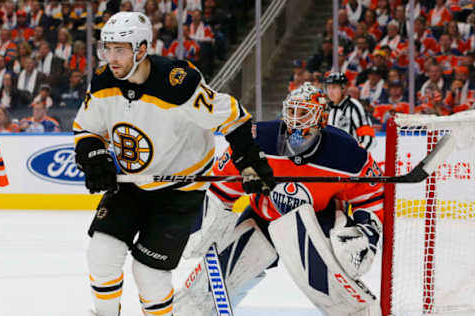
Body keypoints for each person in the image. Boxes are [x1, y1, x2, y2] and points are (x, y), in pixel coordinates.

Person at [72, 11, 275, 316]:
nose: (111, 58)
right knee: (101, 255)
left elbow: (232, 116)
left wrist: (249, 159)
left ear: (141, 49)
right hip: (130, 186)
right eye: (107, 48)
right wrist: (94, 155)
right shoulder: (103, 82)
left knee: (150, 275)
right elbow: (86, 129)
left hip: (178, 193)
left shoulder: (177, 84)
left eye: (120, 50)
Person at [174, 83, 383, 316]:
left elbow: (371, 195)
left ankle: (357, 310)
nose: (296, 120)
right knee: (197, 297)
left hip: (317, 222)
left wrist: (367, 231)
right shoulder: (258, 138)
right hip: (262, 218)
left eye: (304, 113)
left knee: (341, 283)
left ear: (322, 118)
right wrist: (210, 218)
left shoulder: (345, 152)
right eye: (292, 111)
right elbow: (222, 184)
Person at [324, 72, 375, 151]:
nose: (330, 92)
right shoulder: (327, 108)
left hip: (350, 157)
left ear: (343, 88)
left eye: (334, 87)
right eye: (329, 88)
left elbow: (368, 137)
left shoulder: (354, 106)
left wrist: (358, 155)